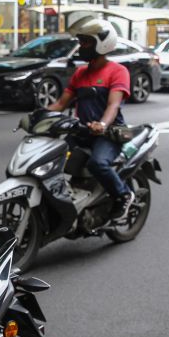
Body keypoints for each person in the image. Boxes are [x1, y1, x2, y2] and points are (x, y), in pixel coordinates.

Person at [46, 19, 134, 220]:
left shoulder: (117, 71)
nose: (81, 47)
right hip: (82, 131)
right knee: (51, 157)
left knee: (98, 163)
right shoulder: (80, 73)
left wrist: (102, 124)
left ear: (102, 44)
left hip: (108, 134)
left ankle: (123, 194)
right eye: (81, 42)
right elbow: (61, 104)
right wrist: (39, 116)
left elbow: (113, 105)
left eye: (86, 43)